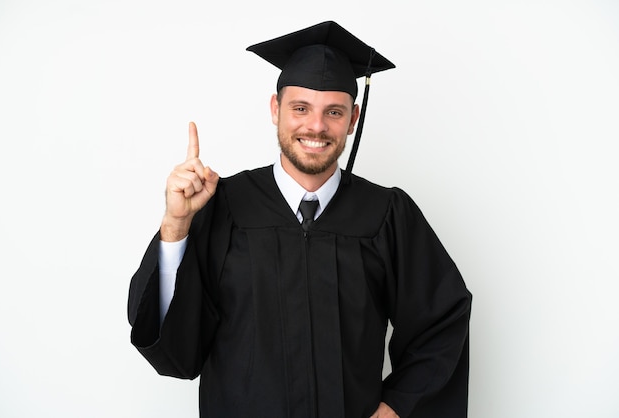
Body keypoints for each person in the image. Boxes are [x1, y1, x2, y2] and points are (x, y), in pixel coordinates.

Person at [128, 21, 472, 418]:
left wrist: (396, 407)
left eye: (334, 111)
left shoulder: (387, 215)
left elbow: (442, 321)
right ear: (275, 110)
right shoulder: (222, 206)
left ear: (353, 117)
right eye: (300, 108)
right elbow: (176, 347)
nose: (316, 126)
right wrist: (175, 226)